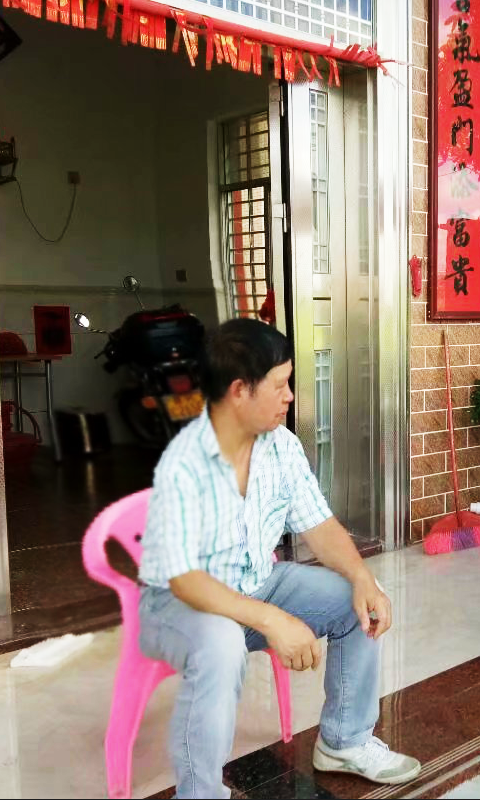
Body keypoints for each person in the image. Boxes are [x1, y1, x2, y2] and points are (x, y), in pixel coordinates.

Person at [138, 318, 421, 799]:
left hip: (258, 584)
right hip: (181, 606)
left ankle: (344, 741)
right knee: (222, 645)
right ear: (239, 391)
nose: (290, 396)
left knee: (358, 603)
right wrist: (272, 619)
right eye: (279, 385)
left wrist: (361, 577)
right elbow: (185, 580)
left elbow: (320, 526)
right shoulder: (185, 464)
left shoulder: (281, 446)